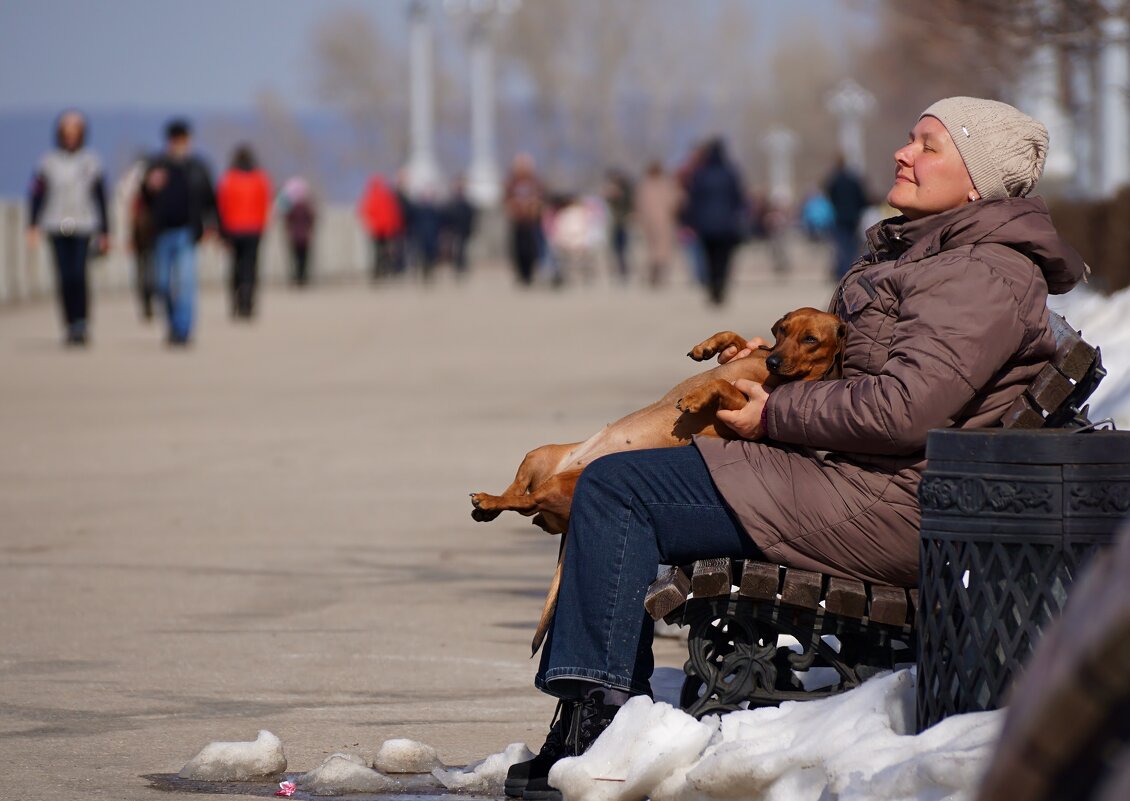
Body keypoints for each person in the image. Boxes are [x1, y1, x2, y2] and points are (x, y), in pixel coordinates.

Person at [503, 97, 1085, 801]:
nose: (904, 153)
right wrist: (781, 364)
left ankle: (595, 724)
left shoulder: (983, 273)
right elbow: (876, 376)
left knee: (620, 489)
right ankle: (591, 715)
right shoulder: (936, 253)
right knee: (618, 478)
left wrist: (776, 409)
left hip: (891, 503)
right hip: (856, 480)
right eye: (910, 138)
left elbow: (904, 408)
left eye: (928, 145)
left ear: (977, 183)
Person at [26, 110, 109, 346]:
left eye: (75, 131)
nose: (71, 136)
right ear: (60, 133)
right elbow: (37, 194)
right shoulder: (47, 162)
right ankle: (69, 324)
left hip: (84, 225)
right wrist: (32, 224)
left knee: (78, 275)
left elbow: (100, 197)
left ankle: (82, 322)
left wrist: (105, 231)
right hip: (55, 224)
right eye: (67, 131)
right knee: (63, 276)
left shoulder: (92, 161)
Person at [140, 118, 218, 346]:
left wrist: (213, 226)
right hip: (161, 233)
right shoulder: (156, 166)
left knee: (185, 283)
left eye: (183, 139)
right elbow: (143, 199)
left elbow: (209, 200)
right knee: (162, 284)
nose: (179, 144)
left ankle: (182, 331)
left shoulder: (197, 167)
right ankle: (173, 323)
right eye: (175, 139)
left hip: (187, 232)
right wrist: (149, 186)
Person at [684, 137, 748, 305]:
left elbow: (693, 200)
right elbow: (739, 198)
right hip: (727, 225)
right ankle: (720, 286)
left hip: (706, 226)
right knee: (724, 259)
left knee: (709, 258)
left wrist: (690, 220)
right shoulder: (730, 173)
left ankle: (713, 287)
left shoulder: (701, 174)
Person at [216, 144, 272, 318]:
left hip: (233, 228)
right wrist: (262, 225)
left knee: (235, 266)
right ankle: (248, 303)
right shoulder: (260, 179)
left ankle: (236, 302)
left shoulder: (229, 178)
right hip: (254, 229)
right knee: (251, 267)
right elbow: (265, 204)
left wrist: (222, 230)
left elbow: (221, 205)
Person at [634, 160, 683, 287]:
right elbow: (676, 200)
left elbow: (639, 204)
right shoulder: (666, 184)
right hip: (664, 220)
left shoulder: (645, 185)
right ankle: (659, 270)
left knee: (653, 247)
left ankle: (655, 270)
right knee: (662, 247)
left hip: (651, 221)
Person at [824, 154, 870, 280]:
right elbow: (862, 198)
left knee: (842, 245)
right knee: (851, 246)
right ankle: (849, 269)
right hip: (853, 217)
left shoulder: (834, 180)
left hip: (840, 217)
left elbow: (830, 196)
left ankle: (843, 270)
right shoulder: (853, 180)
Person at [504, 153, 545, 286]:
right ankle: (521, 275)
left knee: (531, 249)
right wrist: (512, 209)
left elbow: (541, 197)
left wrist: (536, 208)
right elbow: (506, 199)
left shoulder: (534, 181)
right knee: (517, 249)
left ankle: (529, 274)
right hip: (518, 221)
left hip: (531, 221)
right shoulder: (513, 182)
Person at [358, 174, 404, 281]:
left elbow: (392, 214)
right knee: (380, 252)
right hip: (378, 230)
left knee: (382, 252)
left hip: (383, 230)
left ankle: (382, 271)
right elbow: (367, 212)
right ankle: (380, 272)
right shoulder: (376, 197)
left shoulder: (381, 197)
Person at [280, 177, 317, 287]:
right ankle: (302, 279)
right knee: (303, 259)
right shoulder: (307, 207)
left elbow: (287, 221)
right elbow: (312, 219)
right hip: (305, 236)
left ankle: (296, 278)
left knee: (295, 259)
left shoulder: (291, 208)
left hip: (294, 236)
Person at [442, 177, 477, 279]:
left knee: (463, 250)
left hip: (464, 230)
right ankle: (457, 268)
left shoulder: (467, 202)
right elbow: (447, 217)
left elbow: (471, 217)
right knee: (456, 250)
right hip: (454, 231)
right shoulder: (451, 202)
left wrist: (470, 228)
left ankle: (462, 267)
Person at [602, 168, 633, 284]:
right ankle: (614, 272)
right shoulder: (608, 193)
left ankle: (624, 272)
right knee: (612, 249)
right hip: (611, 225)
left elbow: (629, 206)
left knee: (624, 249)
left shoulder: (626, 191)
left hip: (623, 224)